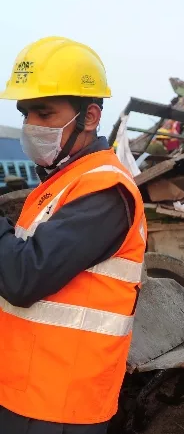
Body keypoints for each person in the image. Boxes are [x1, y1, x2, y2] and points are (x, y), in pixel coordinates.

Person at [0, 36, 147, 433]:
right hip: (25, 390)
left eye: (45, 113)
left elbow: (23, 277)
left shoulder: (104, 191)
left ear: (91, 116)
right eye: (26, 113)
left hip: (61, 407)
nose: (32, 125)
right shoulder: (62, 182)